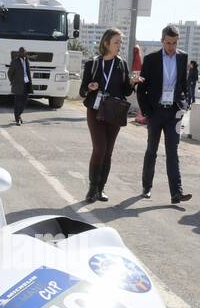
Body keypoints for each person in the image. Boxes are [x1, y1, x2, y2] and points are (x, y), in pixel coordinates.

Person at [79, 27, 137, 203]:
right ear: (106, 43)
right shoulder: (93, 64)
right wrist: (89, 88)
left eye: (120, 42)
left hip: (114, 111)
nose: (119, 45)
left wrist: (132, 82)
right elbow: (82, 91)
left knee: (108, 152)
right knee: (99, 149)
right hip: (95, 110)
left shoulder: (121, 64)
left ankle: (101, 189)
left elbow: (125, 92)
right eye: (116, 42)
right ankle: (92, 188)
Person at [136, 25, 192, 204]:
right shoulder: (151, 59)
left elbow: (184, 85)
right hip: (155, 112)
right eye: (168, 43)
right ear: (162, 41)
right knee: (152, 150)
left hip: (174, 113)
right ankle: (147, 187)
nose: (171, 47)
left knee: (172, 152)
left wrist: (184, 105)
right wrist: (146, 112)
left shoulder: (182, 58)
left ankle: (176, 193)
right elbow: (141, 89)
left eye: (174, 43)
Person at [7, 47, 33, 125]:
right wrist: (13, 81)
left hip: (26, 84)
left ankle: (19, 114)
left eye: (25, 52)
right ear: (19, 53)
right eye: (22, 52)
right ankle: (17, 119)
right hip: (18, 84)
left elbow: (28, 72)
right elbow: (9, 73)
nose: (24, 54)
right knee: (17, 102)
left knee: (24, 102)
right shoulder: (15, 61)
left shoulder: (27, 61)